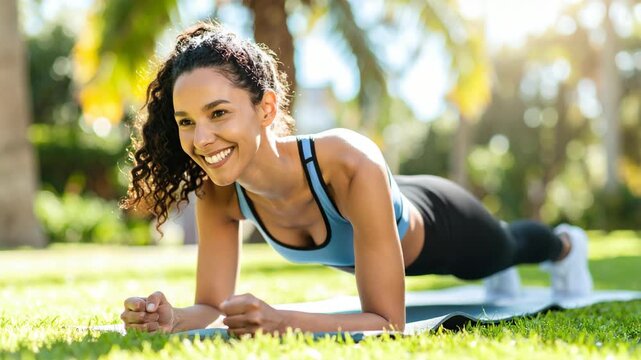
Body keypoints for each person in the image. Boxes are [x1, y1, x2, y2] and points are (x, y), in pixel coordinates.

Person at [119, 22, 593, 336]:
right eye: (185, 121)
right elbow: (213, 305)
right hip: (385, 223)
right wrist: (173, 317)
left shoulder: (348, 161)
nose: (201, 138)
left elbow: (387, 322)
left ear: (264, 108)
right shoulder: (219, 193)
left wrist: (281, 320)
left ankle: (566, 246)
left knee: (507, 248)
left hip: (442, 224)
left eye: (218, 113)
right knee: (499, 262)